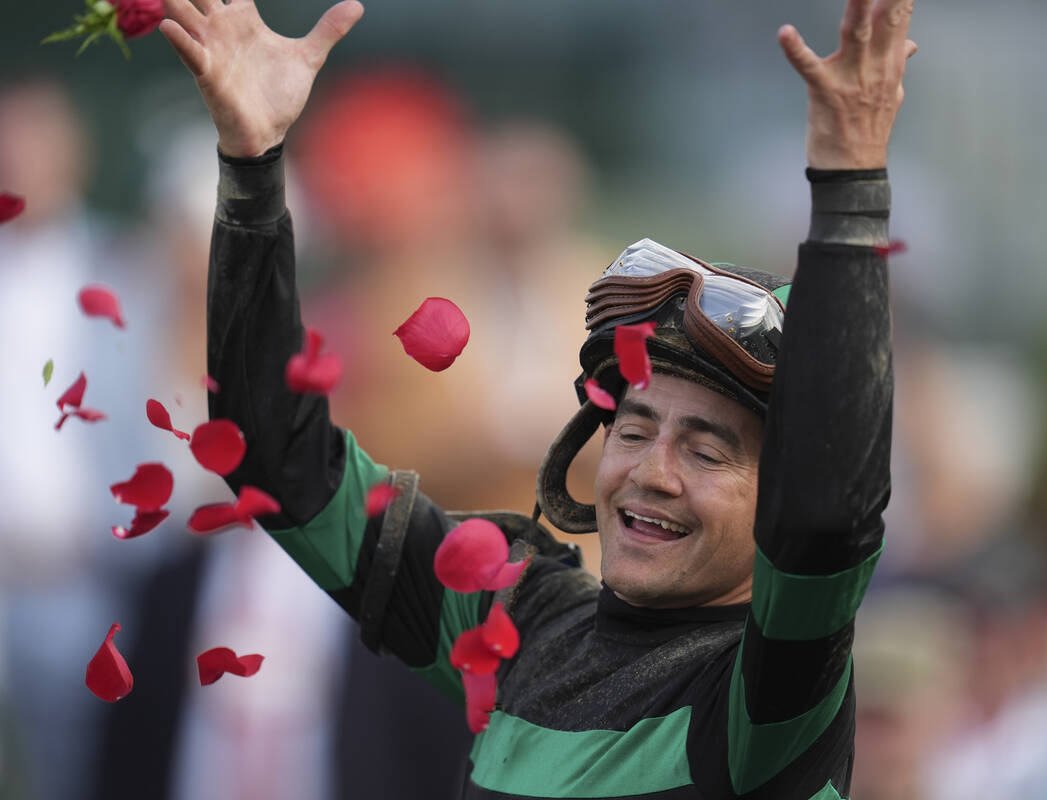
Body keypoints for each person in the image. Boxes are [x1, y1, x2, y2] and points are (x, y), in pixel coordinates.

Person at [159, 0, 916, 795]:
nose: (650, 472)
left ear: (777, 503)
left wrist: (850, 185)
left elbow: (830, 519)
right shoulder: (517, 625)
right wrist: (252, 165)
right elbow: (275, 462)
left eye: (705, 449)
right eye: (632, 431)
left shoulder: (772, 693)